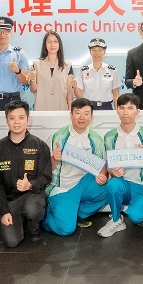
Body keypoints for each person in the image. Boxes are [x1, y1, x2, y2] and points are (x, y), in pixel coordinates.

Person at [44, 98, 110, 236]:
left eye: (86, 113)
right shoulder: (58, 137)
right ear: (71, 115)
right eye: (77, 113)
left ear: (91, 117)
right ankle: (44, 217)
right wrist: (54, 158)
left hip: (83, 183)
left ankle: (79, 213)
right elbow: (45, 169)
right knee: (66, 230)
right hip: (62, 187)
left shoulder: (96, 139)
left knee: (111, 188)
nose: (81, 117)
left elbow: (102, 166)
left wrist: (103, 176)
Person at [0, 100, 53, 246]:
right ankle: (18, 219)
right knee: (11, 242)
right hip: (10, 200)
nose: (16, 122)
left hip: (33, 195)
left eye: (21, 117)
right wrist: (4, 210)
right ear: (6, 120)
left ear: (28, 119)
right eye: (12, 118)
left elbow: (46, 177)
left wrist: (30, 184)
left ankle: (34, 227)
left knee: (33, 209)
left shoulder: (40, 145)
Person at [98, 93, 143, 238]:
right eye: (122, 107)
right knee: (113, 184)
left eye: (130, 108)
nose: (125, 112)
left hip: (142, 186)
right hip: (122, 184)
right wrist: (113, 172)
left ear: (137, 111)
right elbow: (108, 166)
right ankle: (116, 220)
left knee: (137, 218)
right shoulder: (110, 137)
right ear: (117, 110)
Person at [28, 31, 75, 111]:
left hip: (61, 108)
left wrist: (71, 111)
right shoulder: (36, 64)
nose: (52, 44)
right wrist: (32, 79)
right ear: (45, 45)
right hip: (42, 108)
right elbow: (33, 90)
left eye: (55, 41)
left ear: (59, 44)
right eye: (49, 42)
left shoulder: (67, 65)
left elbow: (69, 93)